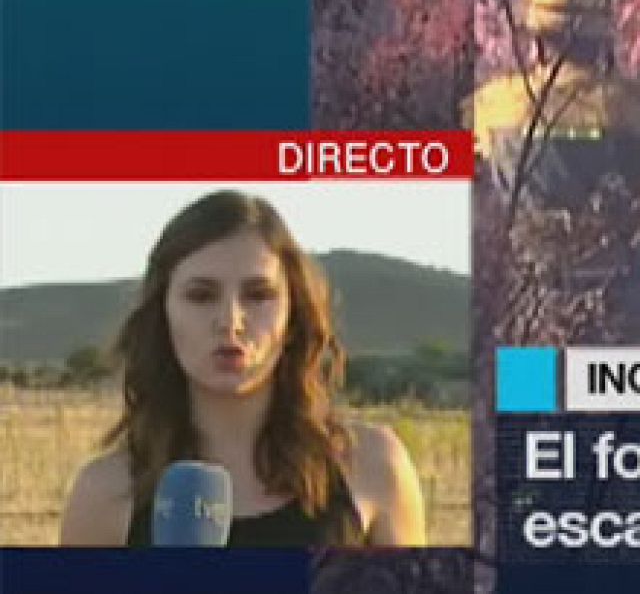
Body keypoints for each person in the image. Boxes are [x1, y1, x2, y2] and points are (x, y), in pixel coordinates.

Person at [58, 191, 427, 547]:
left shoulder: (372, 467)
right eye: (201, 296)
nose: (231, 321)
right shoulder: (106, 494)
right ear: (163, 314)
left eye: (258, 295)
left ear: (293, 316)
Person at [470, 0, 640, 344]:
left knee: (529, 400)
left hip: (530, 307)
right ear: (601, 41)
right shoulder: (635, 109)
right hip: (620, 313)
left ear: (536, 39)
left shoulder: (491, 106)